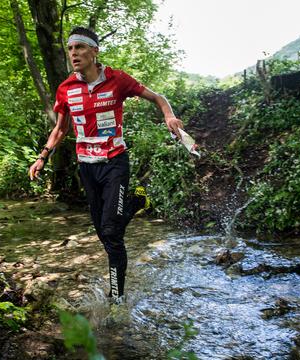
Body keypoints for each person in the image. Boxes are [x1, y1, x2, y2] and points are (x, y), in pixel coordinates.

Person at [28, 26, 184, 303]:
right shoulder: (65, 89)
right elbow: (61, 129)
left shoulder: (118, 80)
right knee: (104, 233)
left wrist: (169, 117)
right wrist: (43, 156)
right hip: (87, 167)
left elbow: (158, 98)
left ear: (94, 51)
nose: (74, 53)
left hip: (114, 163)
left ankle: (116, 297)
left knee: (112, 233)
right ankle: (137, 201)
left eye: (80, 47)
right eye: (71, 48)